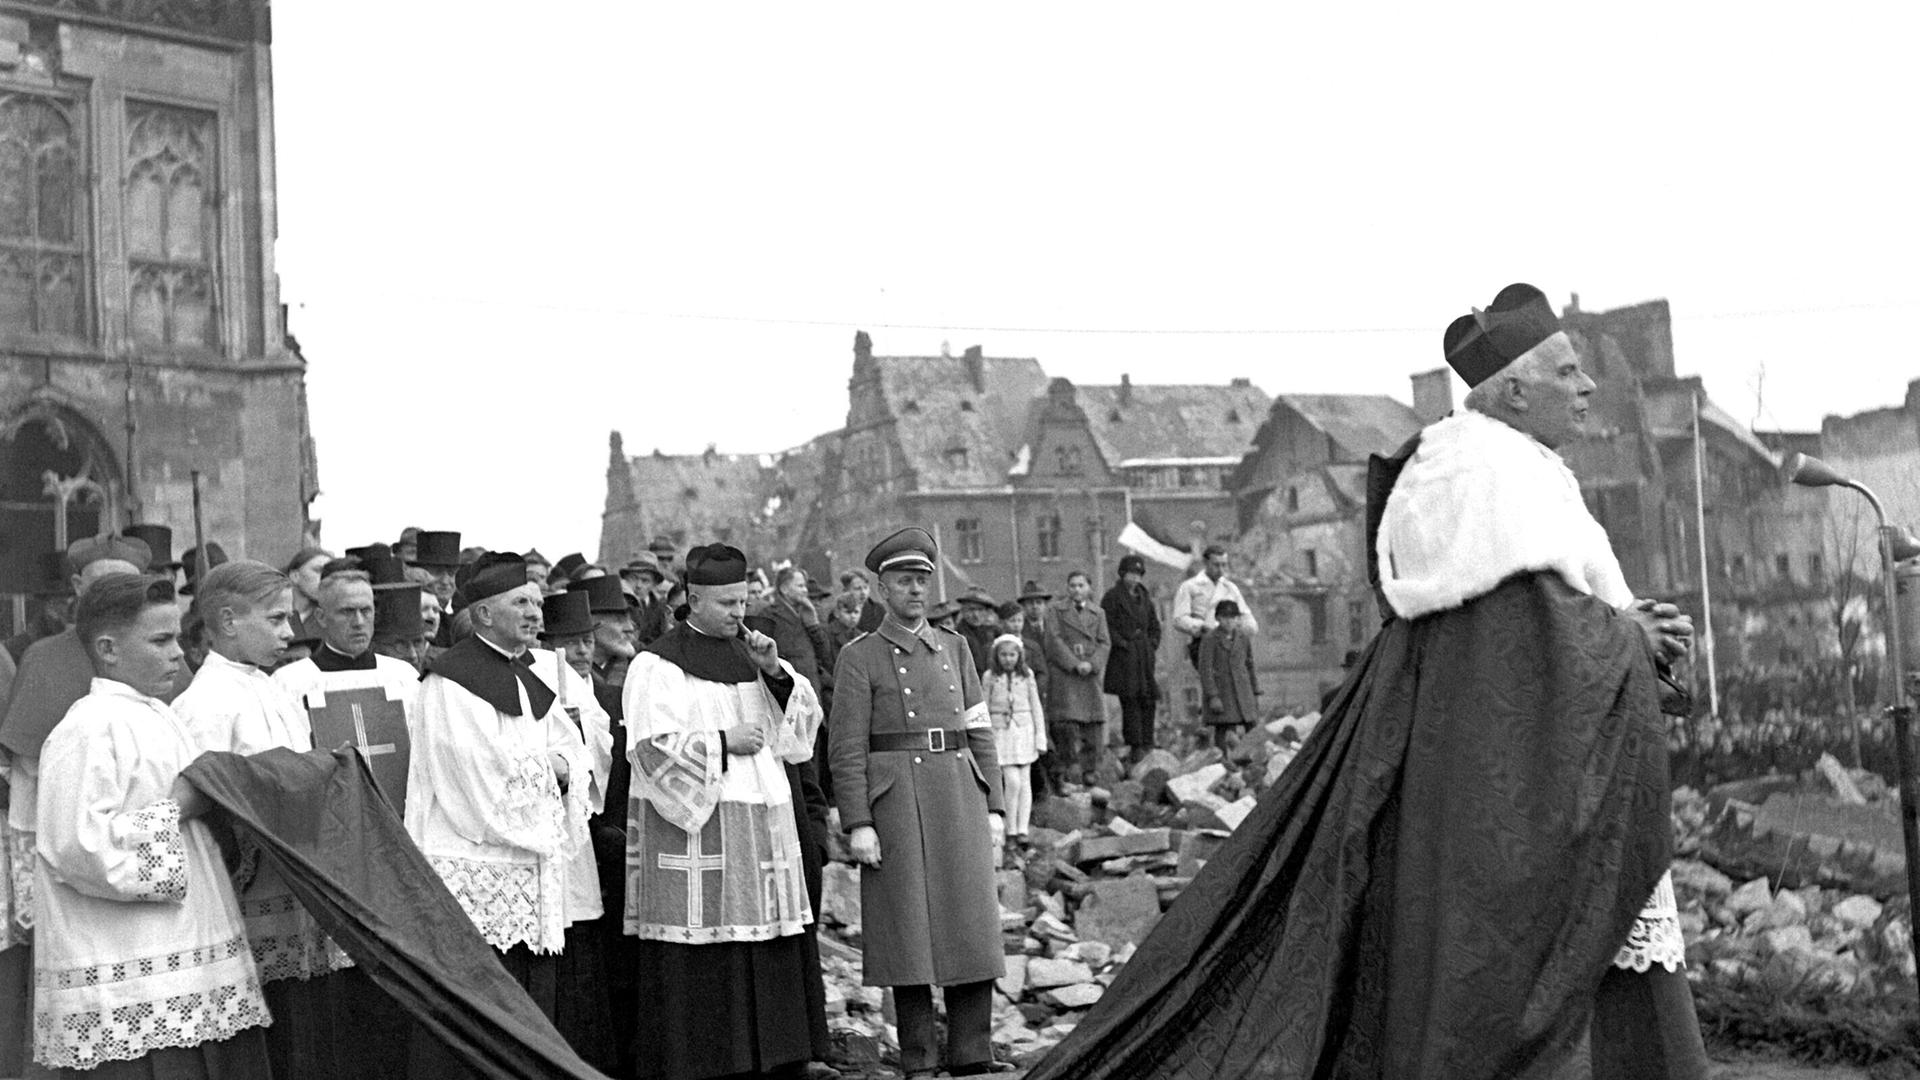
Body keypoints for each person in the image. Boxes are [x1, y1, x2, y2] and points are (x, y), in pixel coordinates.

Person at [1023, 283, 1704, 1080]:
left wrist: (1637, 640)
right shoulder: (1479, 474)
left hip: (1526, 769)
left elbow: (1553, 617)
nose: (1587, 387)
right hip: (1511, 791)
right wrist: (1628, 638)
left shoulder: (1511, 461)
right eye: (1569, 371)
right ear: (1514, 389)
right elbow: (1525, 639)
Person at [32, 573, 273, 1074]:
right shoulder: (86, 727)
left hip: (192, 960)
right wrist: (179, 808)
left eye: (179, 639)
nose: (180, 655)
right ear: (108, 648)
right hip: (132, 976)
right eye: (161, 640)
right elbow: (78, 849)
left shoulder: (160, 716)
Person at [623, 543, 825, 1080]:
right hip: (701, 829)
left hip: (765, 819)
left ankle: (781, 1057)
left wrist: (776, 674)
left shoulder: (755, 654)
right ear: (691, 599)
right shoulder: (656, 665)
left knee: (773, 937)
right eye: (727, 604)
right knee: (711, 951)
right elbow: (649, 749)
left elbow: (802, 734)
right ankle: (713, 1062)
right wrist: (719, 741)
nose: (740, 614)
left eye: (743, 601)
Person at [172, 560, 379, 1078]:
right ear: (227, 621)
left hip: (298, 885)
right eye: (276, 619)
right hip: (253, 893)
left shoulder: (270, 687)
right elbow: (209, 809)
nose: (290, 634)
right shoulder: (204, 704)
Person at [405, 552, 594, 1075]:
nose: (536, 613)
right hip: (477, 865)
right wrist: (553, 768)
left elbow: (572, 748)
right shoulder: (450, 683)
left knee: (530, 1007)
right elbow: (481, 785)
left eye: (537, 601)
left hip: (528, 867)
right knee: (482, 1015)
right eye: (521, 602)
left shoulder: (526, 677)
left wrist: (560, 765)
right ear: (484, 615)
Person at [829, 527, 1006, 1079]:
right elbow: (846, 747)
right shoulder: (861, 656)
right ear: (881, 590)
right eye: (904, 582)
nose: (915, 591)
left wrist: (995, 805)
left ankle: (972, 1051)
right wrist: (859, 822)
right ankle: (919, 1058)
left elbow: (980, 728)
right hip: (896, 802)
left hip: (958, 791)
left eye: (922, 581)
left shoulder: (955, 647)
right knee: (906, 930)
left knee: (970, 921)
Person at [273, 569, 420, 814]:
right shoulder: (291, 682)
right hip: (330, 817)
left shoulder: (403, 676)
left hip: (400, 813)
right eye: (347, 612)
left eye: (366, 610)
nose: (359, 622)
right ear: (321, 617)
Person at [1043, 571, 1110, 787]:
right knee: (1067, 725)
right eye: (1072, 585)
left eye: (1081, 585)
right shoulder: (1056, 611)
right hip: (1066, 676)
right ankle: (1068, 770)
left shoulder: (1098, 613)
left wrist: (1093, 663)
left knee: (1093, 724)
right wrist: (1073, 663)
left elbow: (1104, 643)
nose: (1076, 590)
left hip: (1089, 676)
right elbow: (1053, 640)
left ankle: (1091, 770)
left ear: (1089, 588)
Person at [984, 634, 1046, 861]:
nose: (1008, 659)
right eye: (1003, 655)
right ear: (996, 656)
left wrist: (1040, 737)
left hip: (1024, 731)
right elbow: (984, 704)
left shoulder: (1026, 675)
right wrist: (986, 737)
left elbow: (1036, 706)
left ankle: (1022, 830)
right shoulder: (990, 677)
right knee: (1012, 781)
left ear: (1019, 656)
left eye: (1012, 655)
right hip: (1001, 733)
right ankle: (1010, 827)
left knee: (1025, 782)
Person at [1100, 555, 1162, 765]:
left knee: (1148, 698)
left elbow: (1154, 624)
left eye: (1138, 574)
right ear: (1122, 574)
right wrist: (1122, 644)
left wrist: (1152, 644)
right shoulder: (1112, 597)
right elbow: (1107, 626)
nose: (1135, 578)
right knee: (1131, 700)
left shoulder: (1144, 597)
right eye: (1130, 574)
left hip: (1144, 655)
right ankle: (1135, 746)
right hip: (1125, 657)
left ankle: (1148, 741)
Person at [1170, 545, 1258, 668]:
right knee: (1209, 680)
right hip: (1203, 643)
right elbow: (1179, 619)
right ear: (1206, 563)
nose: (1221, 569)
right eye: (1216, 565)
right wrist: (1201, 627)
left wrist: (1245, 629)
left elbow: (1245, 615)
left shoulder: (1230, 588)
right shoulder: (1189, 587)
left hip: (1230, 643)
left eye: (1224, 565)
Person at [1196, 600, 1258, 748]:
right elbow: (1205, 669)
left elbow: (1249, 664)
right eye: (1225, 617)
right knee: (1223, 729)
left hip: (1243, 691)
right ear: (1217, 619)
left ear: (1238, 619)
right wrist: (1213, 696)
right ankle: (1223, 761)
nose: (1229, 621)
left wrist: (1254, 690)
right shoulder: (1210, 639)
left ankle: (1250, 759)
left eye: (1233, 617)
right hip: (1223, 692)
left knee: (1252, 729)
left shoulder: (1243, 637)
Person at [955, 587, 1001, 677]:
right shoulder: (957, 635)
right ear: (963, 611)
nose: (976, 615)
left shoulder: (994, 632)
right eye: (971, 609)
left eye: (980, 610)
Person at [839, 569, 885, 634]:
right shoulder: (839, 612)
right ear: (845, 591)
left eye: (865, 587)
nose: (863, 592)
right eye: (857, 588)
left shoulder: (878, 609)